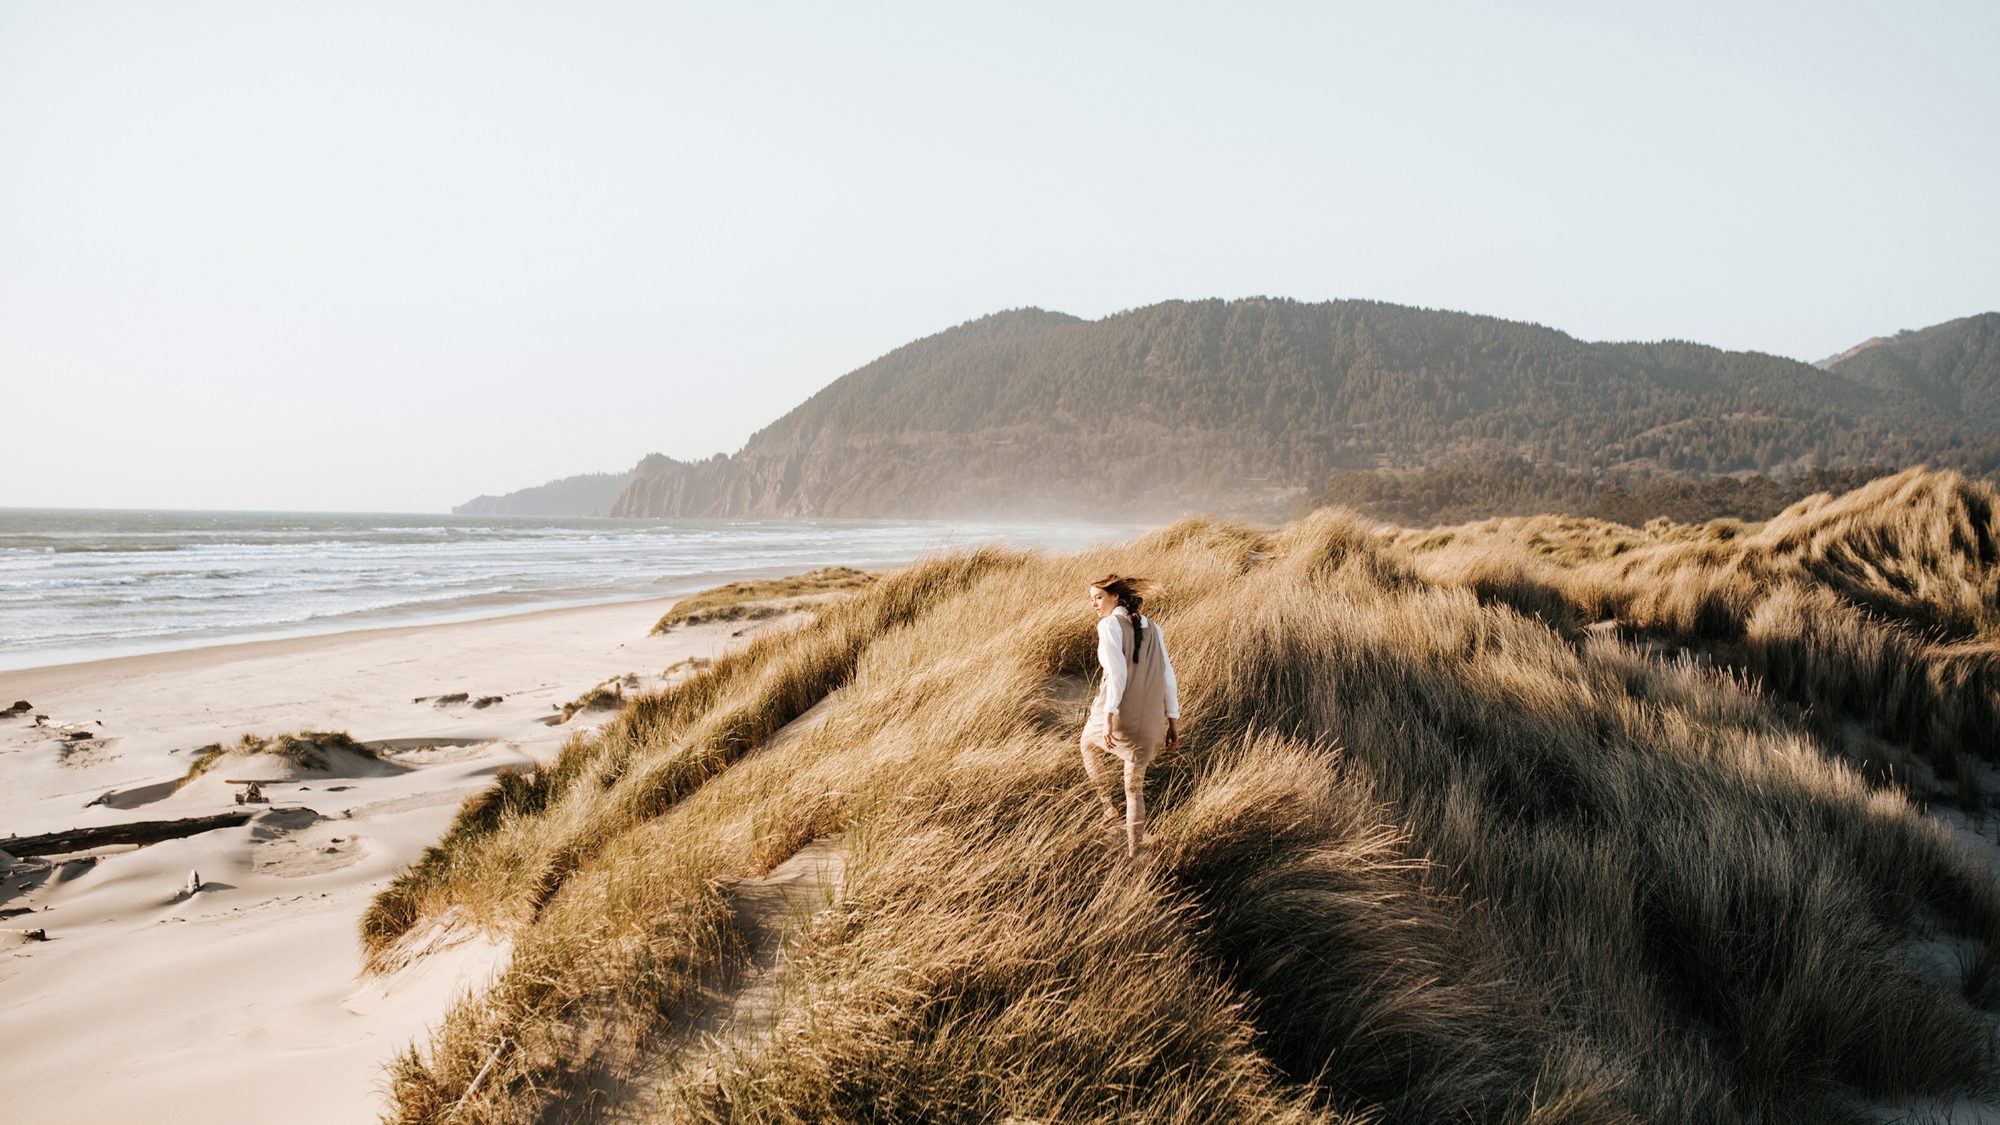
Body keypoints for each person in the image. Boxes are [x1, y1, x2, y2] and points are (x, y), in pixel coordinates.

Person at [1080, 574, 1180, 858]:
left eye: (1098, 598)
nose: (1094, 604)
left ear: (1115, 597)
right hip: (1151, 720)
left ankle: (1108, 808)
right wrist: (1172, 720)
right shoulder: (1154, 627)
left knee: (1087, 745)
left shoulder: (1108, 625)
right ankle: (1135, 850)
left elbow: (1116, 673)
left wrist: (1109, 715)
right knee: (1134, 788)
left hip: (1120, 714)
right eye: (1092, 599)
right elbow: (1168, 676)